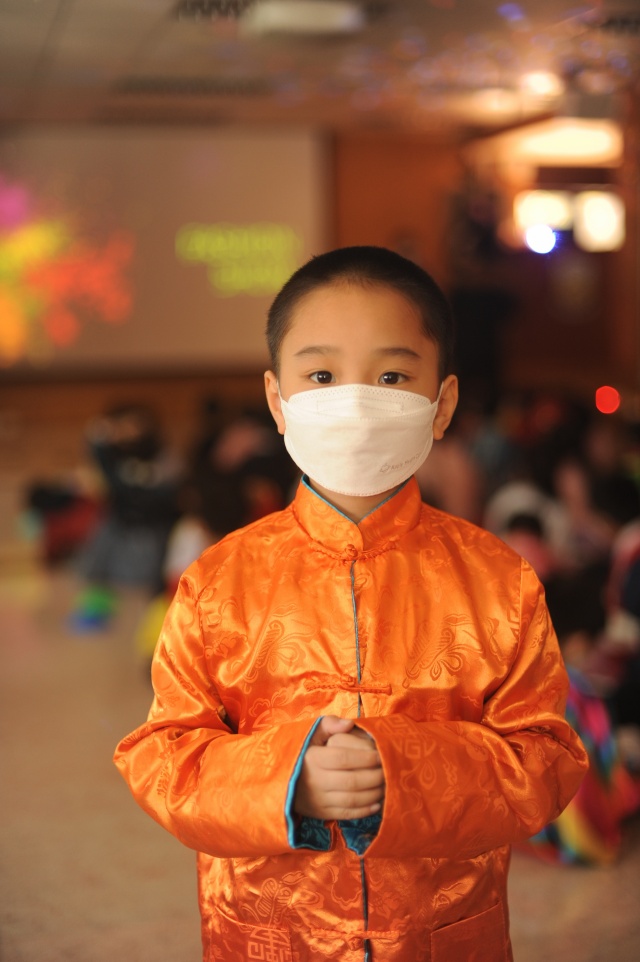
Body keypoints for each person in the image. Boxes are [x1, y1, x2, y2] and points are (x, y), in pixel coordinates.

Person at [114, 246, 587, 962]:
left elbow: (546, 759)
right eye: (322, 375)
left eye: (392, 376)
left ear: (442, 404)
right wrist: (286, 781)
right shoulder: (216, 582)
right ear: (278, 401)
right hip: (267, 938)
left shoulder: (500, 581)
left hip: (442, 937)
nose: (357, 401)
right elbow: (162, 756)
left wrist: (404, 773)